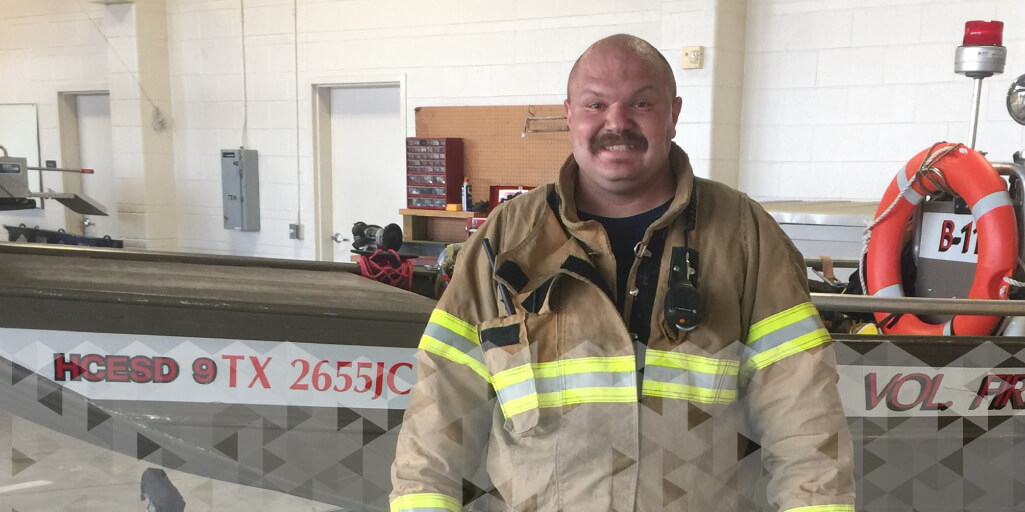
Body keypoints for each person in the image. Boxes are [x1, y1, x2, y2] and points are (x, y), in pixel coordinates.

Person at [390, 34, 855, 512]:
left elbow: (805, 419)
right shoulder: (504, 239)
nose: (617, 122)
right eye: (596, 104)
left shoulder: (744, 236)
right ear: (568, 114)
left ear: (673, 113)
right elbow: (438, 414)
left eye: (642, 103)